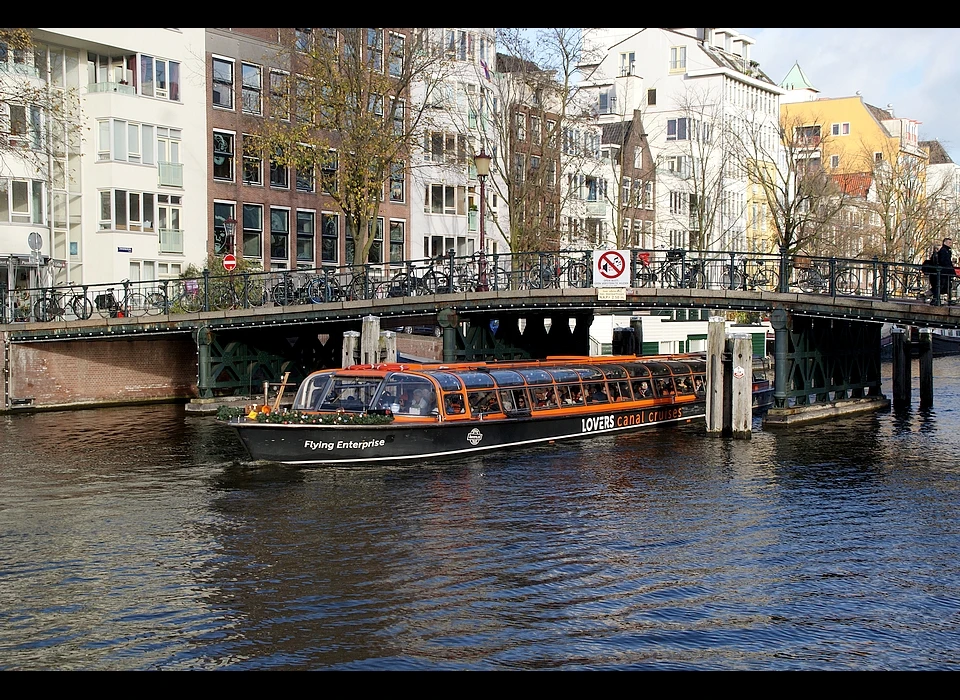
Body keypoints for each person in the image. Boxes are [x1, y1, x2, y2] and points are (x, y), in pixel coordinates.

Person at [937, 237, 956, 304]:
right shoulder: (944, 251)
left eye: (951, 243)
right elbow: (944, 262)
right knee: (943, 286)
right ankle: (933, 297)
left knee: (946, 286)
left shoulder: (946, 251)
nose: (950, 244)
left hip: (946, 271)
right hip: (944, 271)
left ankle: (947, 300)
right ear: (945, 243)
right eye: (949, 243)